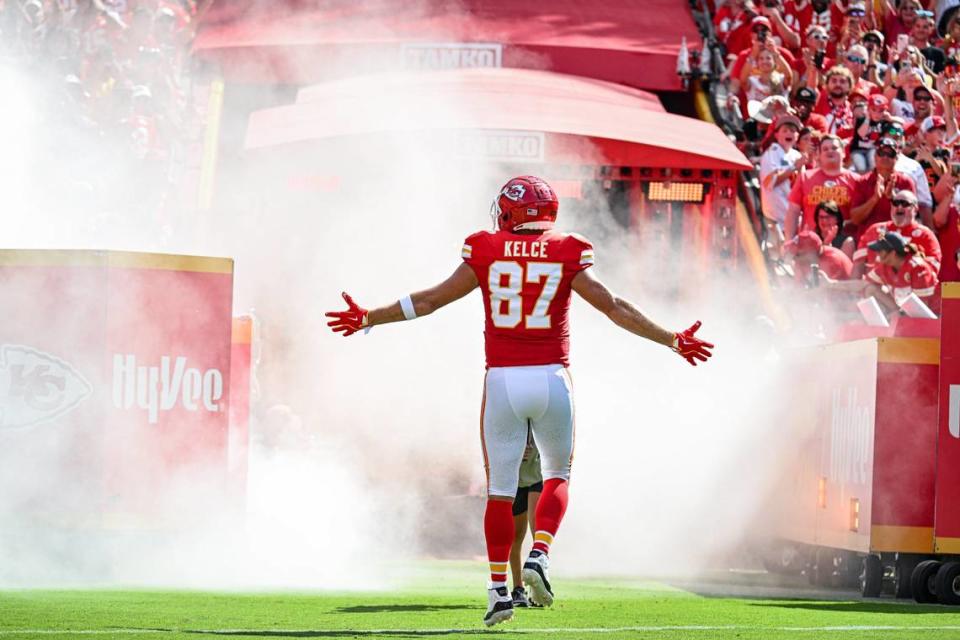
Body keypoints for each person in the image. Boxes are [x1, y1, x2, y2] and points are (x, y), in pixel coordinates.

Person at [324, 176, 715, 627]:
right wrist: (670, 339)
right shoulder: (569, 249)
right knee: (557, 474)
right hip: (552, 377)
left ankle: (496, 592)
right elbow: (614, 306)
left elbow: (430, 301)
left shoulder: (485, 248)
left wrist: (371, 316)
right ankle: (541, 554)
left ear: (511, 211)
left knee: (499, 490)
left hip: (503, 381)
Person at [784, 133, 861, 239]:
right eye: (825, 149)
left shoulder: (857, 180)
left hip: (843, 243)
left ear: (843, 153)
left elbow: (859, 216)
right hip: (810, 243)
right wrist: (789, 241)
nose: (830, 151)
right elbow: (793, 212)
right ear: (819, 155)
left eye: (834, 148)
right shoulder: (805, 177)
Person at [853, 188, 942, 277]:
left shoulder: (925, 235)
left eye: (905, 204)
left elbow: (933, 269)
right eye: (895, 203)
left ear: (915, 209)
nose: (899, 207)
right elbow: (858, 263)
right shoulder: (874, 230)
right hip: (873, 287)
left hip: (911, 288)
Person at [850, 136, 918, 234]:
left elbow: (912, 215)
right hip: (869, 237)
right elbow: (855, 219)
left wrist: (893, 198)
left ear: (897, 158)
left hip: (899, 237)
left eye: (890, 154)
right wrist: (874, 199)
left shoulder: (906, 182)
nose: (885, 157)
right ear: (875, 156)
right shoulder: (862, 181)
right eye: (881, 153)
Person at [863, 230, 941, 314]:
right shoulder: (885, 266)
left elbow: (922, 307)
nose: (877, 254)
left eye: (880, 251)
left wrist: (899, 316)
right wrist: (846, 287)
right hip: (904, 311)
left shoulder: (918, 268)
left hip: (933, 316)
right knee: (870, 289)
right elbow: (865, 284)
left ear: (893, 253)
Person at [760, 113, 805, 253]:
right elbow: (770, 182)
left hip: (793, 216)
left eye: (793, 131)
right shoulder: (771, 153)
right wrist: (793, 168)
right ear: (776, 134)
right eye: (785, 130)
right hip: (775, 219)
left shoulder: (797, 156)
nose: (789, 133)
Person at [509, 429, 542, 608]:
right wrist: (514, 450)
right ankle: (518, 588)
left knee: (538, 534)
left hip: (539, 474)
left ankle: (538, 589)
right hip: (515, 479)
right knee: (516, 537)